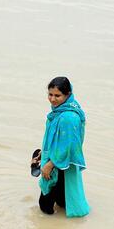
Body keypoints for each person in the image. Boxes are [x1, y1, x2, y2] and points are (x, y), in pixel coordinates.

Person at [37, 76, 90, 217]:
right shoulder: (61, 110)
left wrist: (50, 164)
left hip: (60, 163)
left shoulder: (68, 117)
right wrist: (43, 153)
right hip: (59, 161)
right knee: (62, 199)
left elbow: (70, 145)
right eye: (50, 94)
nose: (53, 99)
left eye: (57, 95)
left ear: (68, 94)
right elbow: (58, 139)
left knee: (45, 205)